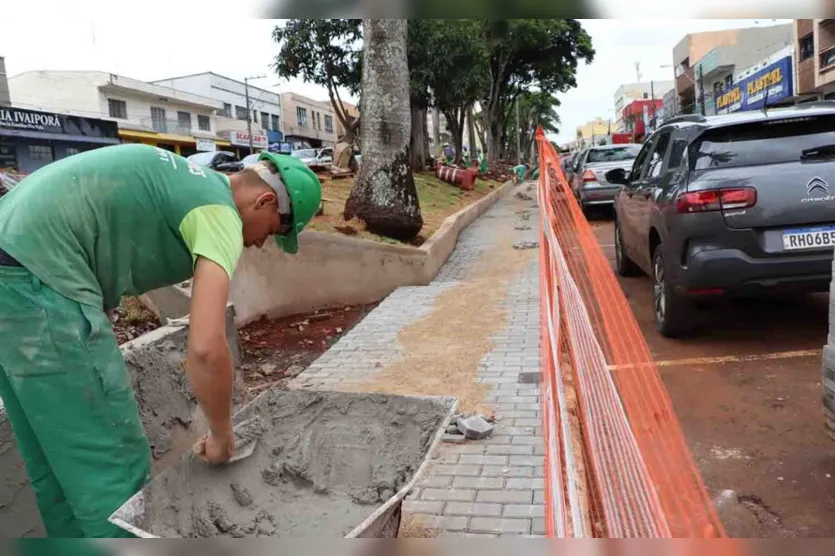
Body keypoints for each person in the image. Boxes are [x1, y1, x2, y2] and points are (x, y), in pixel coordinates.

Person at [0, 144, 322, 537]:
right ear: (265, 200)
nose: (258, 244)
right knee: (113, 467)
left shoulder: (187, 181)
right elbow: (205, 346)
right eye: (271, 232)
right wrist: (221, 434)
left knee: (55, 465)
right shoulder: (219, 213)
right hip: (42, 286)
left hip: (15, 278)